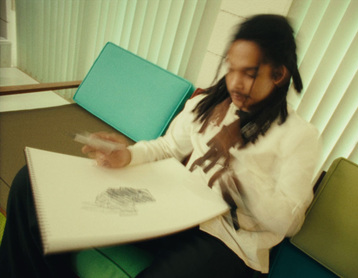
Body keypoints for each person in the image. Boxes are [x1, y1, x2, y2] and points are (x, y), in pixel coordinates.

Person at [0, 14, 320, 277]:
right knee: (31, 186)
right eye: (231, 68)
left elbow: (288, 223)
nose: (234, 82)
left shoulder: (299, 137)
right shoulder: (209, 104)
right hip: (169, 208)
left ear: (279, 74)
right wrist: (128, 155)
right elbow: (168, 147)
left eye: (248, 73)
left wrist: (240, 167)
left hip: (228, 241)